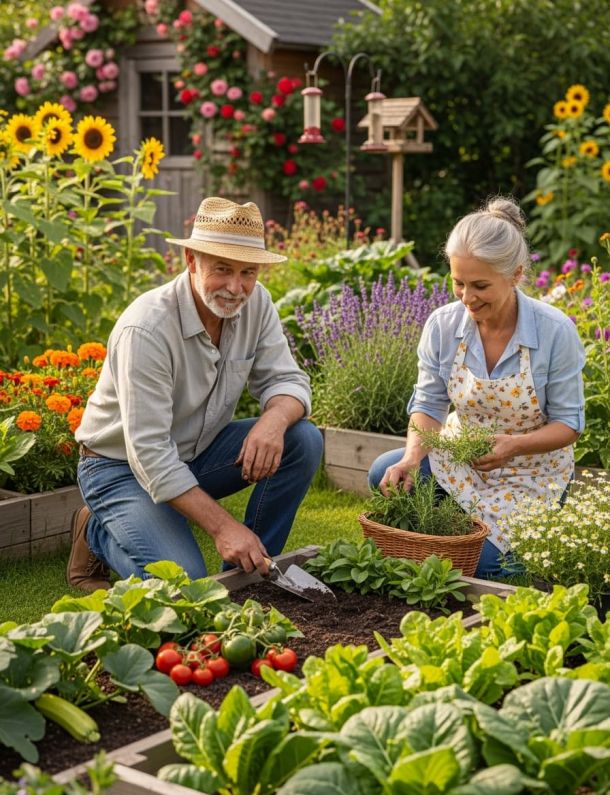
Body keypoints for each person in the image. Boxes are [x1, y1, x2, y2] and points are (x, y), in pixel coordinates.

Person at [67, 196, 323, 591]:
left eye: (248, 272)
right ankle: (96, 533)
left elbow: (290, 382)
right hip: (119, 469)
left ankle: (247, 576)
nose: (236, 288)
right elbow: (150, 453)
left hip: (196, 452)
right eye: (222, 269)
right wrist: (223, 526)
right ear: (191, 259)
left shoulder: (258, 305)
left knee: (301, 438)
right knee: (186, 582)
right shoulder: (147, 329)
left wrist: (273, 421)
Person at [368, 196, 585, 578]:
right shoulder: (443, 325)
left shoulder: (554, 331)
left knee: (484, 568)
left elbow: (569, 424)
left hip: (530, 474)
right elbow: (430, 402)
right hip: (461, 458)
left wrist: (512, 445)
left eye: (480, 285)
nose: (467, 298)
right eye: (458, 283)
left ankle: (460, 544)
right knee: (385, 472)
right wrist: (411, 458)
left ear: (516, 274)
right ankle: (450, 536)